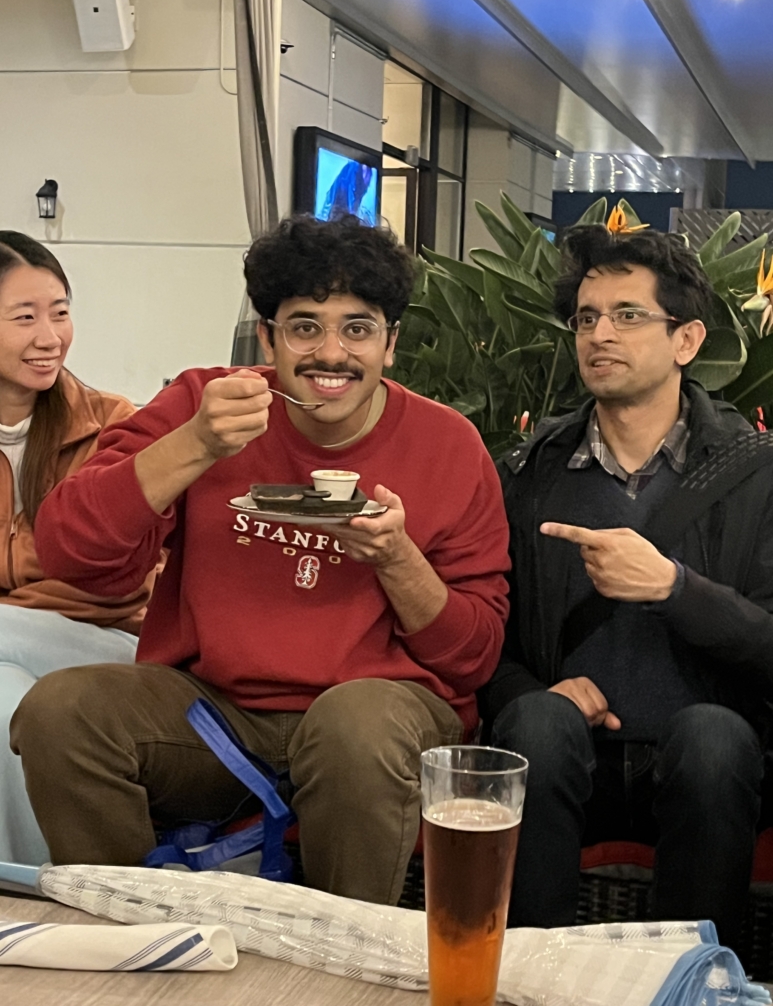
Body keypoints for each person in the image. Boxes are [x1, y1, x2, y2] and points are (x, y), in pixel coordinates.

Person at [10, 216, 510, 904]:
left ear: (390, 344)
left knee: (354, 726)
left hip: (378, 710)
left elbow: (473, 656)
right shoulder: (206, 405)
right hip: (213, 714)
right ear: (268, 339)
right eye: (304, 327)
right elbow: (71, 549)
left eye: (357, 329)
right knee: (60, 711)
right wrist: (195, 444)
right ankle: (139, 932)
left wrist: (397, 559)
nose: (330, 353)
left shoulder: (448, 446)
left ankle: (341, 950)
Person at [480, 223, 773, 951]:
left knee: (712, 739)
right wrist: (537, 693)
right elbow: (485, 640)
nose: (600, 334)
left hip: (712, 767)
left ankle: (693, 979)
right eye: (586, 318)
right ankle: (526, 980)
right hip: (569, 760)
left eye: (627, 315)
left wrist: (675, 588)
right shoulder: (530, 473)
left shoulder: (755, 472)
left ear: (687, 340)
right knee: (535, 723)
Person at [0, 231, 156, 864]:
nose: (50, 337)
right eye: (25, 318)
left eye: (60, 313)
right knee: (4, 699)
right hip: (14, 654)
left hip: (110, 644)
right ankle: (37, 891)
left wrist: (14, 605)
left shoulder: (112, 423)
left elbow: (120, 577)